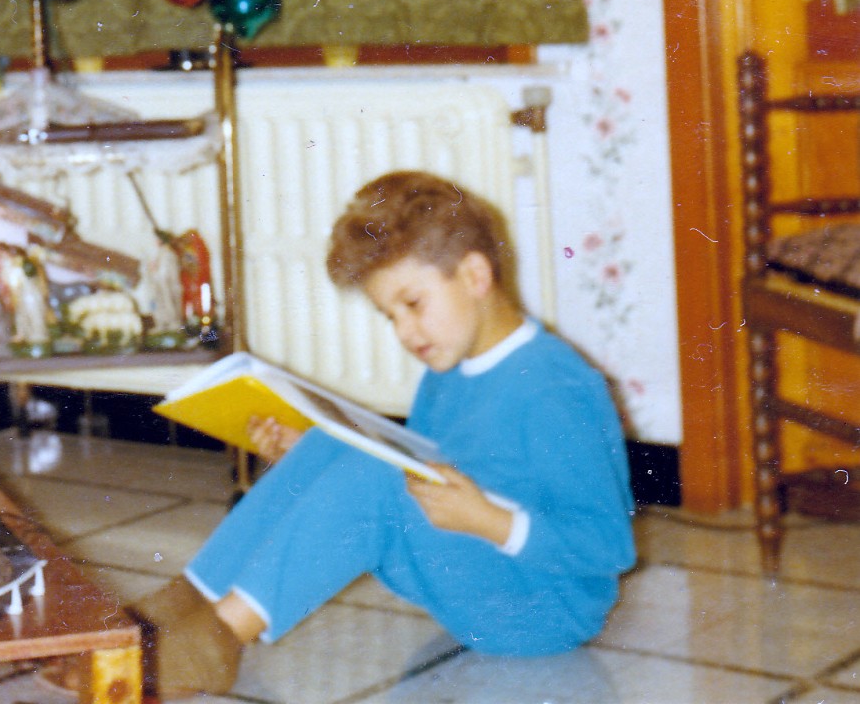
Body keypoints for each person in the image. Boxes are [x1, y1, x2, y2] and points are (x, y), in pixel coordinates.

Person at [133, 170, 636, 699]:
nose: (404, 332)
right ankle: (186, 601)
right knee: (335, 446)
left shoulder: (555, 387)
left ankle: (219, 639)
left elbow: (608, 547)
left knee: (371, 477)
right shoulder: (447, 370)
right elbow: (418, 466)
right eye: (388, 316)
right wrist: (311, 459)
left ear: (475, 275)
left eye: (413, 304)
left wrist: (487, 520)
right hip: (486, 578)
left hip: (545, 609)